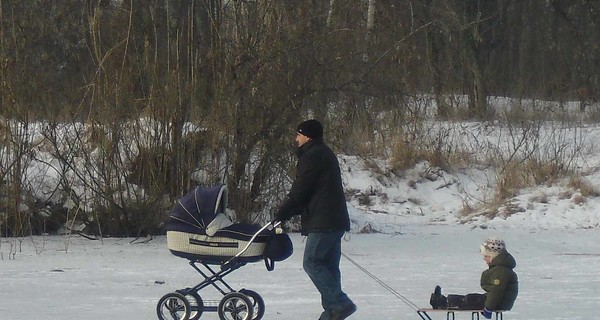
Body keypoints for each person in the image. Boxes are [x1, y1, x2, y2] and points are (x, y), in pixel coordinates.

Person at [275, 119, 356, 320]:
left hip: (324, 221)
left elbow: (300, 191)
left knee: (312, 262)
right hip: (333, 220)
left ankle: (339, 304)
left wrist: (281, 214)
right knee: (328, 266)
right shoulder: (324, 153)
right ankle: (332, 313)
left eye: (299, 135)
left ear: (307, 136)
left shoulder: (312, 157)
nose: (296, 139)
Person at [430, 237, 518, 319]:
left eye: (486, 256)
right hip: (499, 301)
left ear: (492, 256)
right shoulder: (502, 269)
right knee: (473, 298)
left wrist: (488, 308)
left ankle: (442, 303)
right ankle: (444, 300)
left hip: (499, 303)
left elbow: (496, 291)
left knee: (470, 300)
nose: (484, 259)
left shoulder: (501, 271)